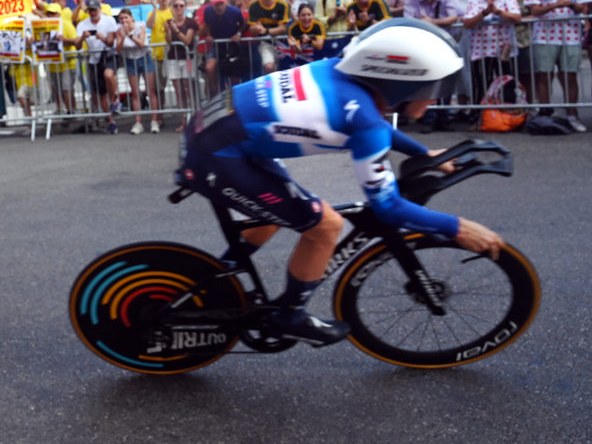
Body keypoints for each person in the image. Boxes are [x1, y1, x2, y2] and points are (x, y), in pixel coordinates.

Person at [177, 18, 505, 345]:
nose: (435, 97)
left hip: (217, 136)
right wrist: (457, 228)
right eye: (433, 87)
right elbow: (388, 207)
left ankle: (215, 286)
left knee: (275, 216)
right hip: (217, 155)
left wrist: (423, 153)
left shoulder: (338, 71)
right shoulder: (366, 123)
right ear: (402, 82)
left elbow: (368, 119)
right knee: (325, 227)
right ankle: (288, 317)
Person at [524, 0, 592, 131]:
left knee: (569, 76)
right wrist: (555, 5)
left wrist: (570, 4)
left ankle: (572, 115)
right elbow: (534, 9)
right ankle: (546, 114)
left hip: (570, 35)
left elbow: (583, 7)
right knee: (544, 75)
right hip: (544, 36)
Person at [405, 0, 465, 132]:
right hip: (424, 44)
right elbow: (409, 20)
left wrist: (432, 22)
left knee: (447, 79)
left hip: (447, 42)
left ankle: (444, 117)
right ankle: (429, 118)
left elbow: (455, 17)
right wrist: (430, 25)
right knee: (427, 81)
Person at [463, 0, 522, 105]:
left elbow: (517, 18)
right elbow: (467, 23)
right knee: (481, 84)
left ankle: (508, 116)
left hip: (504, 49)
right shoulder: (474, 0)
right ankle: (479, 117)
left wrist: (498, 12)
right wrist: (484, 13)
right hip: (481, 50)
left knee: (507, 82)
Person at [76, 0, 120, 134]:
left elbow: (112, 42)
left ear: (100, 10)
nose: (93, 13)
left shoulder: (109, 21)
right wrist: (83, 37)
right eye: (90, 10)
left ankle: (115, 100)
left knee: (109, 74)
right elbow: (77, 45)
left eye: (95, 10)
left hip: (107, 54)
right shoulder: (82, 25)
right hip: (93, 59)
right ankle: (110, 120)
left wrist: (103, 38)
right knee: (100, 93)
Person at [115, 8, 161, 134]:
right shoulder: (119, 31)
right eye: (121, 19)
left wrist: (130, 35)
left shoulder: (140, 25)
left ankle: (154, 121)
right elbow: (118, 50)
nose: (124, 21)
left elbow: (141, 43)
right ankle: (138, 122)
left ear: (131, 18)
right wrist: (123, 37)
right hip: (130, 60)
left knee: (151, 91)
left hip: (144, 58)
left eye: (126, 18)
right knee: (135, 93)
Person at [199, 0, 249, 94]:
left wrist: (238, 34)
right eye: (216, 4)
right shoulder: (208, 11)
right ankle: (214, 90)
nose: (219, 7)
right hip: (217, 46)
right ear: (212, 4)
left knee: (233, 74)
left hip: (232, 46)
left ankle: (235, 96)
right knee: (210, 67)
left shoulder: (235, 11)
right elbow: (207, 24)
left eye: (221, 3)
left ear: (225, 2)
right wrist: (208, 35)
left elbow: (244, 24)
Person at [164, 0, 198, 132]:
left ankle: (195, 119)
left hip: (187, 58)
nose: (178, 8)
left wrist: (175, 29)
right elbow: (168, 41)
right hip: (173, 58)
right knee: (178, 91)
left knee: (189, 88)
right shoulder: (168, 22)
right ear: (172, 7)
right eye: (176, 6)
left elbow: (187, 40)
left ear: (185, 7)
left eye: (181, 6)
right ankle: (183, 121)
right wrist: (168, 29)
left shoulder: (191, 22)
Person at [497, 0, 532, 88]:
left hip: (522, 39)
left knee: (525, 74)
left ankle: (529, 104)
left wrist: (515, 19)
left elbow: (533, 14)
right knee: (504, 75)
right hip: (500, 41)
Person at [246, 0, 290, 76]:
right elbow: (252, 29)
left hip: (282, 42)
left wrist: (265, 31)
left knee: (283, 70)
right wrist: (256, 29)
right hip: (265, 42)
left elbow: (282, 29)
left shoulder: (282, 5)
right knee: (268, 67)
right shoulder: (253, 6)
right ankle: (269, 88)